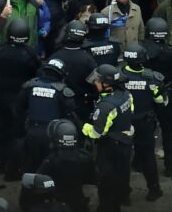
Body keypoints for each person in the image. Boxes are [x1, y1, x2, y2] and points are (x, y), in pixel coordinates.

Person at [0, 19, 41, 178]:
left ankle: (1, 164)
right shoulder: (29, 54)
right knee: (18, 133)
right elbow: (36, 71)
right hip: (19, 99)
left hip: (0, 97)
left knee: (3, 131)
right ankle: (14, 167)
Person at [82, 65, 133, 212]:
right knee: (122, 174)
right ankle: (124, 197)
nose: (95, 83)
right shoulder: (125, 94)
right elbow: (130, 111)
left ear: (107, 84)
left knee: (106, 182)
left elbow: (97, 133)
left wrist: (81, 125)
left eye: (98, 81)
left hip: (110, 147)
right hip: (125, 141)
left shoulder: (106, 106)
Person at [121, 44, 165, 201]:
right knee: (148, 158)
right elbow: (161, 100)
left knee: (122, 159)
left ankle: (123, 194)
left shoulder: (118, 76)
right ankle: (154, 190)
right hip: (145, 123)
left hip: (123, 124)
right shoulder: (152, 77)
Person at [17, 58, 76, 172]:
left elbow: (19, 108)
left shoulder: (30, 86)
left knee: (31, 165)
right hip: (53, 134)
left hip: (31, 130)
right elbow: (70, 113)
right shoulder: (63, 91)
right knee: (51, 167)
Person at [142, 17, 172, 176]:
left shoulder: (142, 51)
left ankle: (140, 163)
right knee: (169, 131)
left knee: (144, 131)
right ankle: (170, 166)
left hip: (146, 95)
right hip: (167, 94)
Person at [35, 119, 96, 212]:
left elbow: (39, 182)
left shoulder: (51, 160)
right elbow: (93, 179)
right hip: (79, 204)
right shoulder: (85, 157)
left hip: (57, 205)